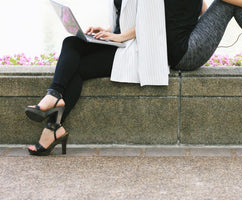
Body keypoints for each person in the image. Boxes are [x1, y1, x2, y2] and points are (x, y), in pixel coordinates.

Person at [25, 0, 169, 156]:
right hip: (121, 42)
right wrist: (106, 31)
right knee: (71, 42)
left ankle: (52, 124)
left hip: (137, 49)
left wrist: (119, 37)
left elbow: (150, 23)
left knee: (77, 68)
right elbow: (125, 19)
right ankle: (53, 99)